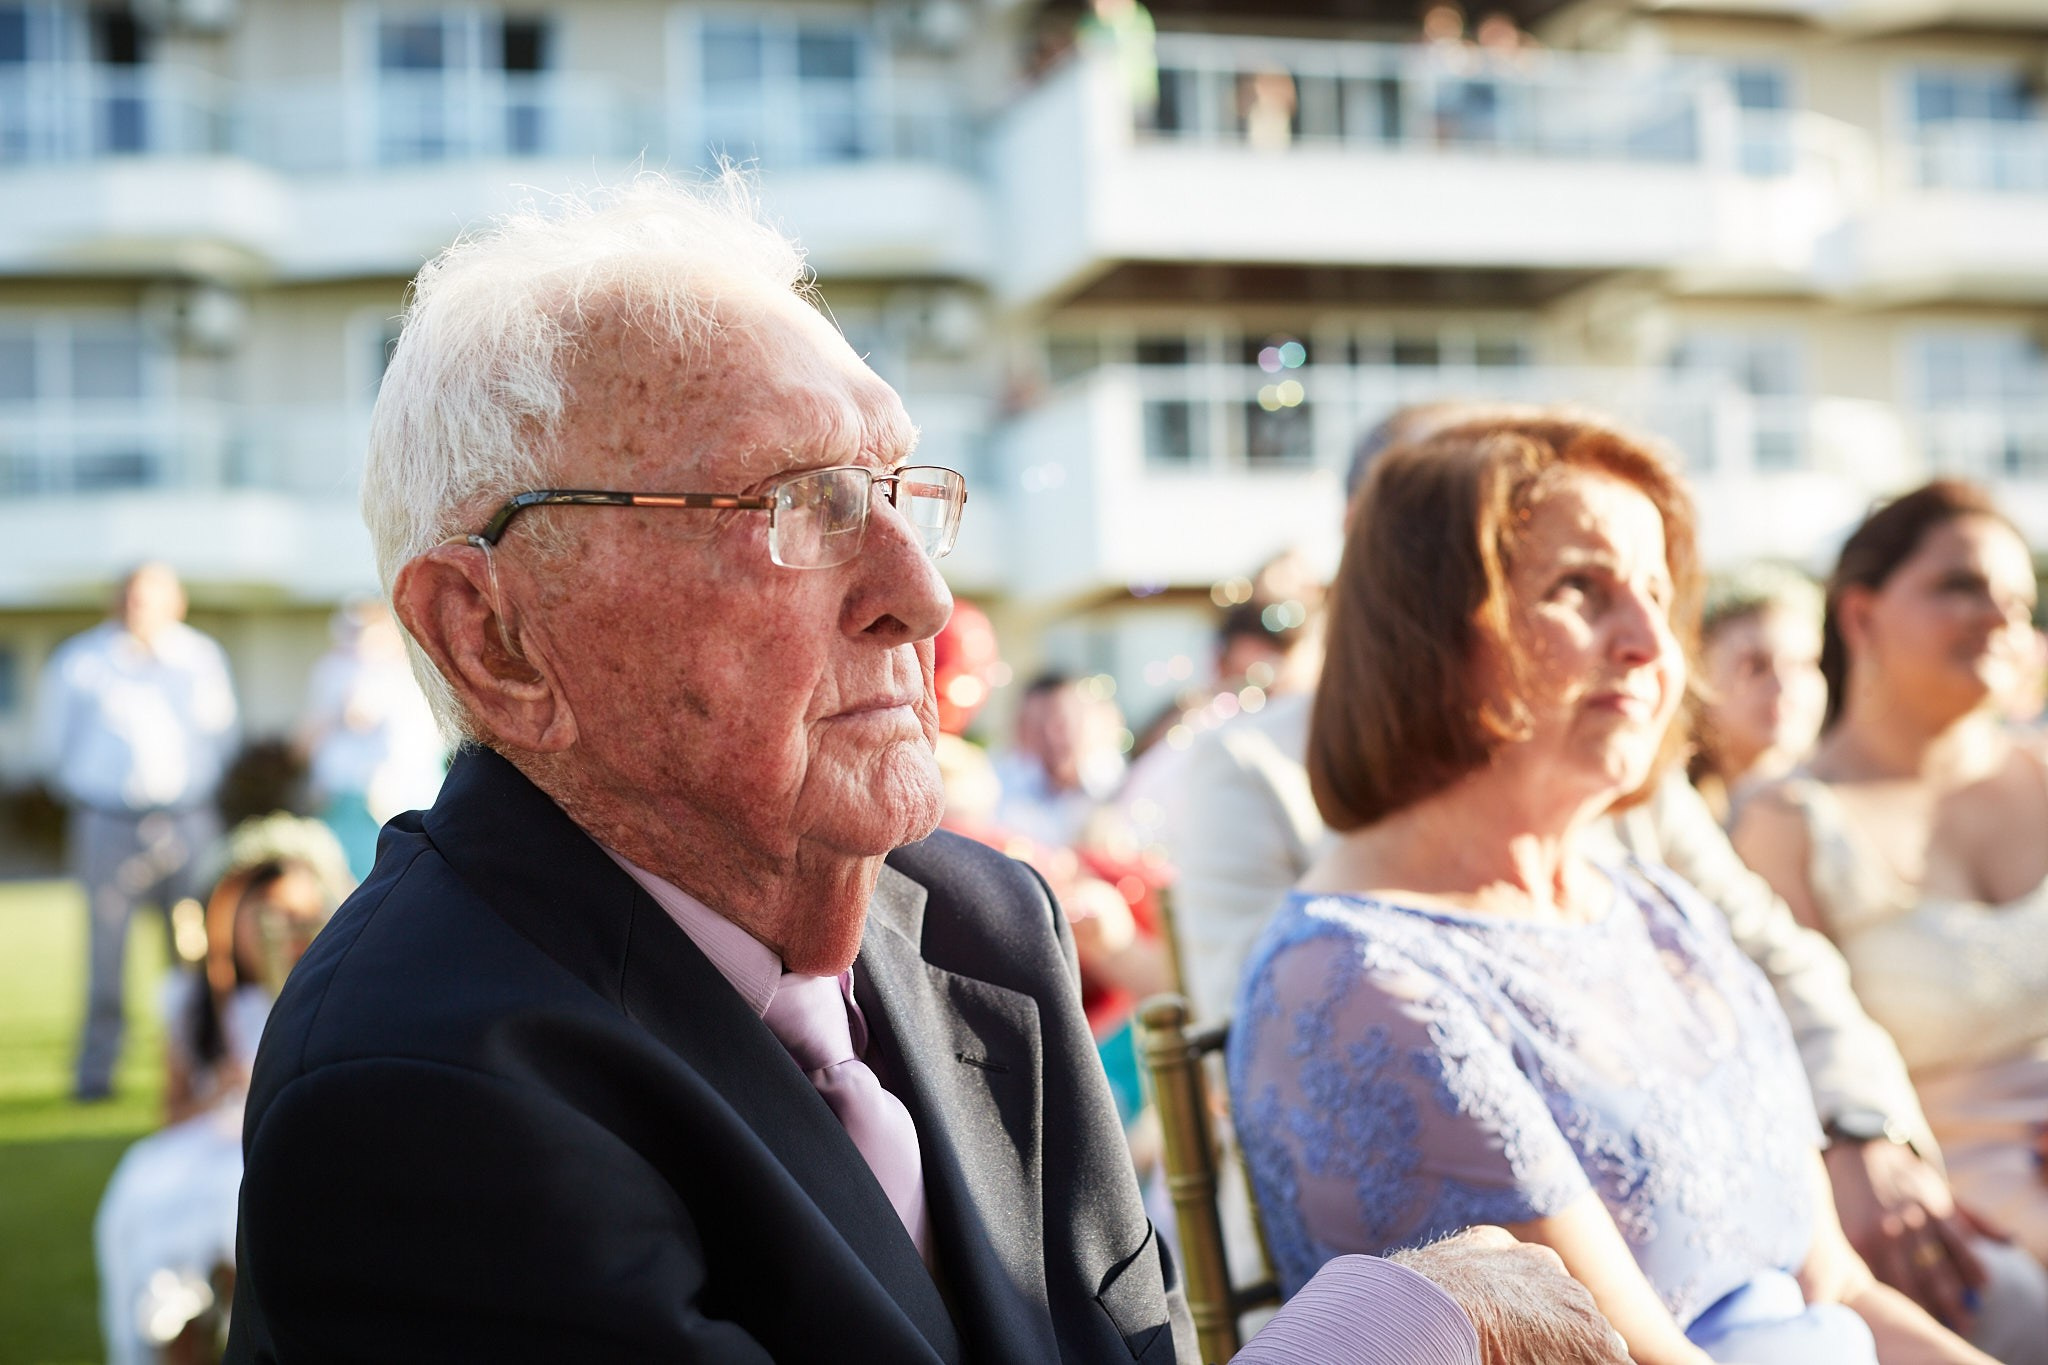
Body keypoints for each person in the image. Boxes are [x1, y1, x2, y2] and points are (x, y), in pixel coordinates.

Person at [223, 175, 1629, 1364]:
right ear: (494, 637)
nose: (920, 597)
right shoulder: (417, 1087)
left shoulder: (975, 925)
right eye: (796, 504)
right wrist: (1395, 1330)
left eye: (896, 490)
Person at [1166, 404, 2037, 1347]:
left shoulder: (1653, 903)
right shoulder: (1359, 979)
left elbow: (1843, 1288)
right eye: (1582, 590)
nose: (1652, 647)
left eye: (1657, 598)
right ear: (1427, 626)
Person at [1735, 480, 2048, 1274]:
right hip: (1934, 1210)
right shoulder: (1789, 822)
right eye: (1960, 585)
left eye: (2019, 598)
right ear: (1861, 615)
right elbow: (1785, 1054)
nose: (2001, 618)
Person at [96, 813, 348, 1365]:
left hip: (272, 1147)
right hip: (203, 1147)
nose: (277, 930)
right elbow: (171, 1110)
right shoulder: (199, 1002)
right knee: (165, 1248)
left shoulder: (324, 995)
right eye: (261, 915)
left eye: (294, 916)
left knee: (251, 1240)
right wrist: (224, 1089)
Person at [36, 562, 238, 1102]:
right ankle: (96, 1077)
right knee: (105, 956)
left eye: (150, 598)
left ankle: (200, 1070)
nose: (138, 608)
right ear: (114, 601)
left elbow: (222, 739)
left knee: (197, 954)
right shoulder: (81, 661)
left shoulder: (199, 659)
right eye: (130, 597)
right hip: (107, 822)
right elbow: (53, 747)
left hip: (188, 821)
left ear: (176, 603)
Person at [295, 600, 447, 879]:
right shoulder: (332, 672)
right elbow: (306, 743)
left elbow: (367, 718)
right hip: (340, 800)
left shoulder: (408, 677)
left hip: (390, 805)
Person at [1689, 564, 1828, 825]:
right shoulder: (1667, 811)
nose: (1784, 687)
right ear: (1701, 673)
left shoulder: (1846, 807)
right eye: (1755, 666)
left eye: (1804, 664)